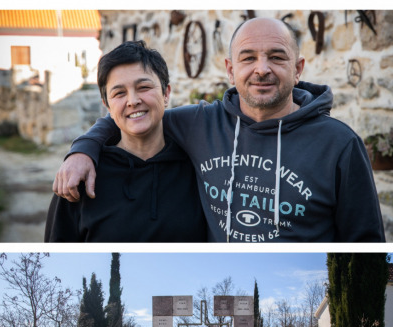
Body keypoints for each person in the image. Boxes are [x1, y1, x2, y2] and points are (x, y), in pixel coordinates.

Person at [53, 17, 385, 242]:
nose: (262, 69)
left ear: (298, 69)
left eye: (276, 57)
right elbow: (133, 116)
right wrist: (83, 149)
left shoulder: (340, 145)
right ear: (230, 69)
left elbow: (367, 242)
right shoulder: (200, 123)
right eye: (248, 58)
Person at [44, 41, 206, 242]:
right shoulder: (80, 178)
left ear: (166, 93)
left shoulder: (199, 168)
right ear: (107, 105)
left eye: (144, 87)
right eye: (119, 93)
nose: (132, 100)